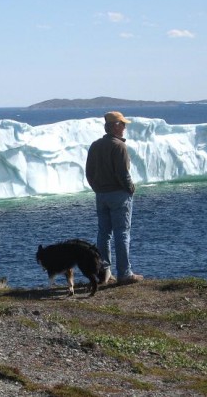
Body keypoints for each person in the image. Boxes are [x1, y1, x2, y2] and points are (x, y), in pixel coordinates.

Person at [85, 111, 143, 286]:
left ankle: (104, 274)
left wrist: (98, 188)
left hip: (101, 195)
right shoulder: (119, 146)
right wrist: (131, 189)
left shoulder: (95, 145)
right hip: (118, 194)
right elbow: (123, 174)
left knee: (103, 233)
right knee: (122, 233)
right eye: (122, 124)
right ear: (115, 126)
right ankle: (125, 273)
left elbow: (89, 172)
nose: (124, 127)